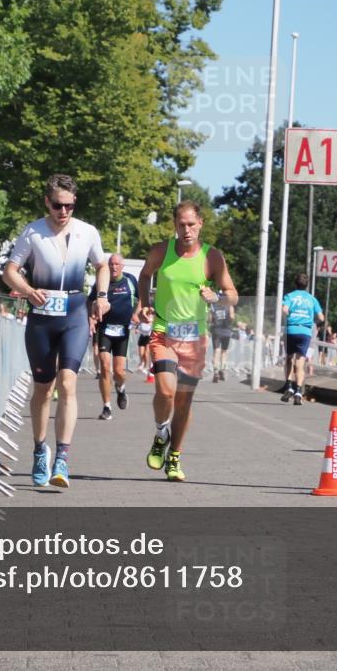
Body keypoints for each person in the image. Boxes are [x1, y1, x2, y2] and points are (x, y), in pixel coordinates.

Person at [2, 174, 109, 488]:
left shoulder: (87, 232)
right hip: (41, 316)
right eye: (58, 206)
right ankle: (39, 449)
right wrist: (26, 289)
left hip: (74, 312)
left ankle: (62, 457)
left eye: (70, 206)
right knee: (43, 389)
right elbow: (10, 270)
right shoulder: (33, 232)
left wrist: (101, 297)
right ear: (47, 203)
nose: (64, 212)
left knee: (68, 382)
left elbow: (102, 264)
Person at [135, 201, 238, 482]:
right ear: (174, 225)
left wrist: (215, 297)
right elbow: (144, 276)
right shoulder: (161, 251)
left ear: (201, 224)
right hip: (163, 331)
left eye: (191, 224)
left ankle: (175, 457)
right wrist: (144, 303)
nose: (186, 229)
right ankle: (160, 433)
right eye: (181, 224)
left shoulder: (212, 257)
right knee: (166, 392)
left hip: (194, 337)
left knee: (184, 401)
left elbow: (232, 294)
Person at [89, 253, 138, 420]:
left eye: (117, 264)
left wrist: (137, 314)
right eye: (111, 264)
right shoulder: (101, 282)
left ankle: (121, 387)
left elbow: (141, 300)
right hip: (104, 329)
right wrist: (91, 317)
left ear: (122, 266)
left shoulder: (130, 280)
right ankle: (106, 407)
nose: (114, 267)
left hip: (122, 331)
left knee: (118, 371)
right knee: (104, 365)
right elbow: (90, 301)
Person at [280, 273, 325, 405]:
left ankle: (288, 386)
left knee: (289, 358)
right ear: (307, 285)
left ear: (295, 283)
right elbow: (321, 318)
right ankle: (299, 391)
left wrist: (290, 315)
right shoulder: (312, 299)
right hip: (305, 331)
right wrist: (311, 321)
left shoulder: (289, 296)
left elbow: (284, 310)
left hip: (291, 329)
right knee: (300, 362)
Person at [209, 299, 235, 382]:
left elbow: (209, 319)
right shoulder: (229, 306)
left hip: (216, 330)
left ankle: (215, 371)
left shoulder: (213, 306)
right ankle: (222, 369)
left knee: (216, 351)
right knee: (224, 352)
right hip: (226, 331)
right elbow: (232, 317)